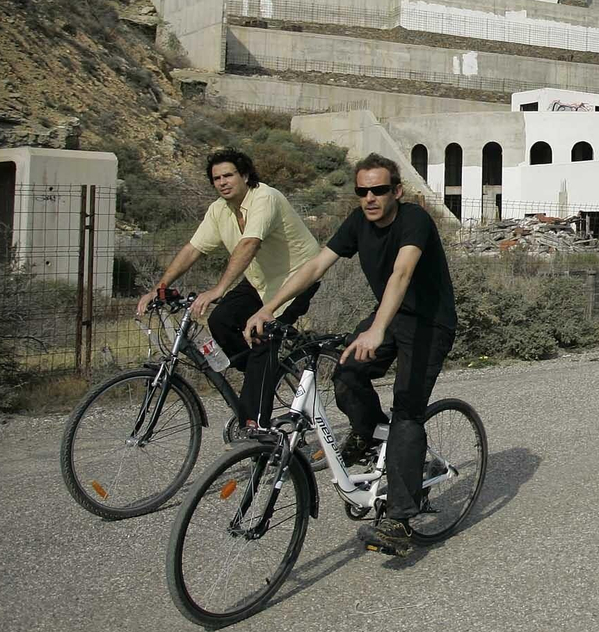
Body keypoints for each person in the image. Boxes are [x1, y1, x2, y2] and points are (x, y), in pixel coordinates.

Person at [246, 152, 457, 557]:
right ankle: (368, 432)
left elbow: (402, 273)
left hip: (429, 323)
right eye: (362, 191)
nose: (370, 198)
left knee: (408, 413)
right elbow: (314, 267)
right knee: (345, 373)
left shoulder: (415, 220)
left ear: (396, 191)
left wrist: (378, 329)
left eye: (379, 190)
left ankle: (398, 519)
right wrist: (269, 307)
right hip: (389, 316)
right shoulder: (358, 222)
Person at [136, 149, 322, 430]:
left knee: (261, 335)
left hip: (297, 277)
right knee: (220, 321)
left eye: (228, 175)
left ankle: (256, 427)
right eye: (216, 178)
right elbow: (193, 249)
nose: (222, 182)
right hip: (261, 280)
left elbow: (249, 244)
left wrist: (218, 288)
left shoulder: (264, 198)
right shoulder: (219, 210)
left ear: (245, 175)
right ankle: (263, 377)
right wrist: (160, 287)